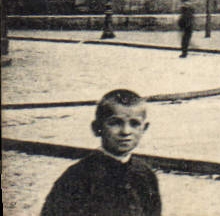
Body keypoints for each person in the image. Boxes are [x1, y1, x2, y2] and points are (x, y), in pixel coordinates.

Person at [41, 88, 161, 216]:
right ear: (97, 128)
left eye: (134, 124)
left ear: (144, 128)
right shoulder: (77, 177)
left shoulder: (145, 176)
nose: (126, 131)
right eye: (115, 123)